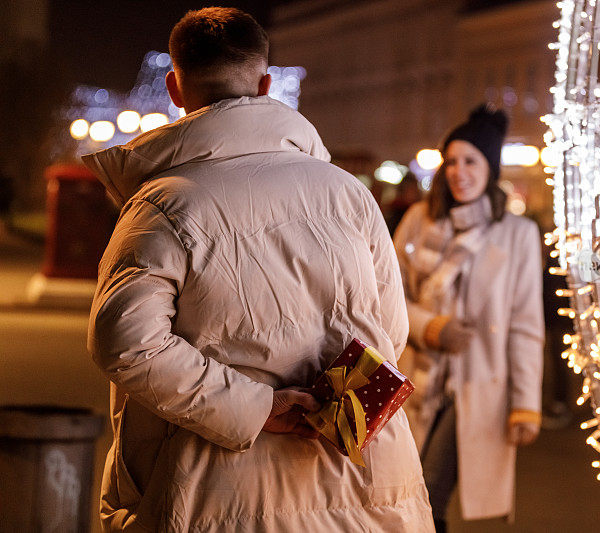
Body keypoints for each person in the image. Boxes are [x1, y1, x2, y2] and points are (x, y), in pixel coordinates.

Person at [83, 8, 433, 532]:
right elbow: (392, 331)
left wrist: (256, 408)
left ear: (175, 87)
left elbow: (127, 343)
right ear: (266, 84)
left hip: (218, 492)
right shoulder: (349, 194)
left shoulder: (164, 204)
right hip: (364, 486)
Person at [393, 104, 544, 531]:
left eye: (471, 161)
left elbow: (525, 323)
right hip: (413, 381)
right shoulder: (418, 220)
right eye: (452, 161)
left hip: (477, 386)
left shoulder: (518, 233)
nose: (460, 171)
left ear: (490, 168)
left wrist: (526, 406)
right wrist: (430, 326)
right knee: (402, 496)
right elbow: (383, 297)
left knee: (427, 495)